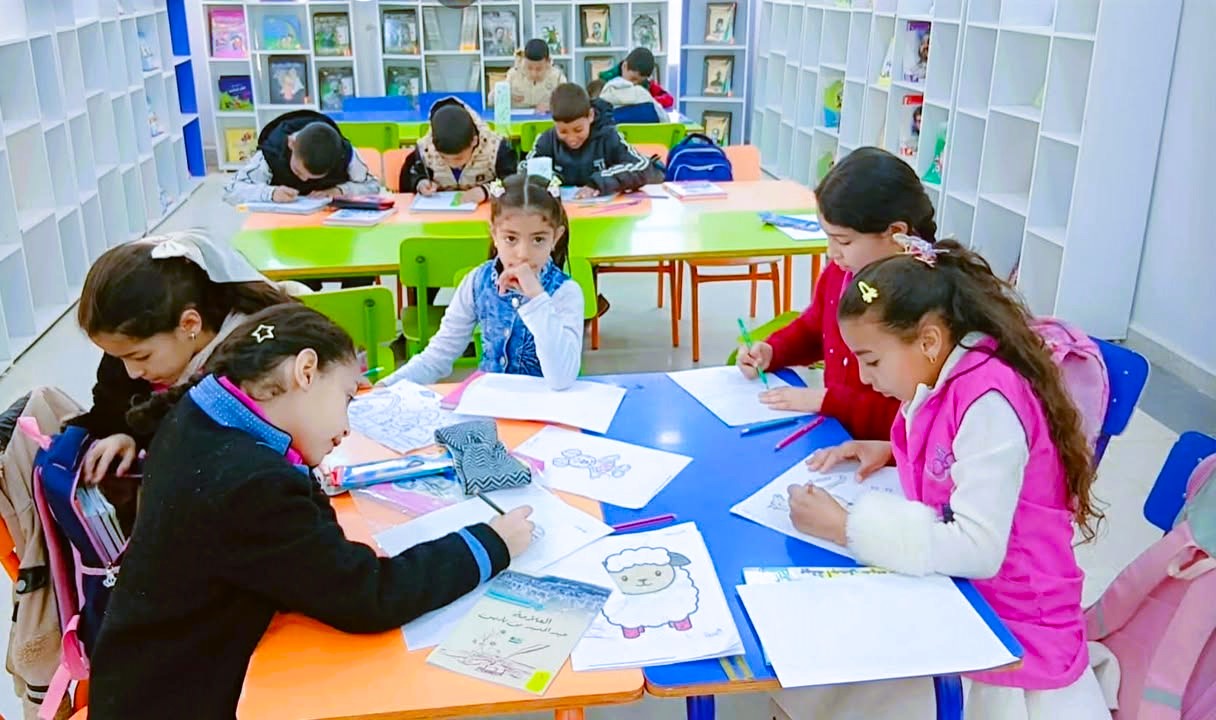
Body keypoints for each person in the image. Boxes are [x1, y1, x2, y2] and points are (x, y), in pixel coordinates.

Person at [87, 304, 535, 719]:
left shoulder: (201, 417)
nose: (346, 426)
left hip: (145, 675)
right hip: (180, 700)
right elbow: (367, 596)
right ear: (305, 372)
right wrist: (489, 544)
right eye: (346, 397)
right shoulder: (252, 484)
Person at [775, 240, 1109, 720]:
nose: (865, 378)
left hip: (1012, 623)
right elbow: (955, 462)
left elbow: (978, 548)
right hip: (968, 593)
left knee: (829, 668)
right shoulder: (946, 372)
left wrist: (847, 527)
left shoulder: (988, 401)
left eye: (872, 361)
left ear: (929, 341)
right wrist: (890, 452)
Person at [736, 147, 933, 440]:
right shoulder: (842, 272)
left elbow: (913, 418)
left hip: (886, 454)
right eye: (828, 237)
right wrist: (773, 351)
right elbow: (814, 329)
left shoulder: (922, 300)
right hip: (838, 434)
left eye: (844, 241)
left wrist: (828, 401)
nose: (832, 252)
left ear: (895, 233)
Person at [70, 230, 297, 482]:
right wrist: (123, 435)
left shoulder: (258, 362)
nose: (132, 372)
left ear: (189, 324)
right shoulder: (133, 344)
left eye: (141, 357)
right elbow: (110, 409)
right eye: (118, 357)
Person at [380, 173, 583, 389]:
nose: (523, 253)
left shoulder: (565, 292)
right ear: (494, 234)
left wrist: (537, 298)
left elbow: (562, 379)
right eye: (511, 238)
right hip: (490, 403)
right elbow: (437, 357)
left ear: (556, 237)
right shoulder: (477, 282)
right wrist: (384, 387)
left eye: (538, 239)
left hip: (545, 405)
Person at [524, 83, 663, 199]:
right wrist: (549, 181)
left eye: (578, 130)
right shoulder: (546, 140)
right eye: (563, 132)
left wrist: (597, 183)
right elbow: (525, 169)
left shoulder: (608, 137)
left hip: (608, 213)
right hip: (563, 213)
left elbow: (641, 165)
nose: (572, 138)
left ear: (590, 116)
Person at [222, 109, 379, 205]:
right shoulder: (271, 152)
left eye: (312, 177)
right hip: (278, 226)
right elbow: (230, 190)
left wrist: (340, 191)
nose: (304, 180)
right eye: (298, 171)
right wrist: (271, 193)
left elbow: (373, 187)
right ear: (291, 144)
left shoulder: (345, 154)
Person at [399, 96, 517, 206]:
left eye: (458, 158)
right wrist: (420, 183)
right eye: (443, 158)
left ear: (474, 141)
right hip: (439, 214)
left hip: (486, 212)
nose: (453, 164)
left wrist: (486, 191)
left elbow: (512, 182)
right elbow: (411, 178)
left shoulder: (495, 148)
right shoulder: (425, 149)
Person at [597, 47, 674, 110]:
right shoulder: (605, 80)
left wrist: (648, 100)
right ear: (624, 66)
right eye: (633, 79)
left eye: (639, 82)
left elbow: (669, 99)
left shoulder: (647, 83)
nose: (634, 84)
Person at [507, 38, 567, 112]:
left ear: (548, 61)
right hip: (517, 117)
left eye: (539, 69)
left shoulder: (558, 77)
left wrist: (551, 107)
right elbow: (494, 100)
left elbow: (569, 103)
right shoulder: (513, 74)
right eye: (529, 68)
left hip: (547, 117)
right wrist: (506, 96)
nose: (534, 74)